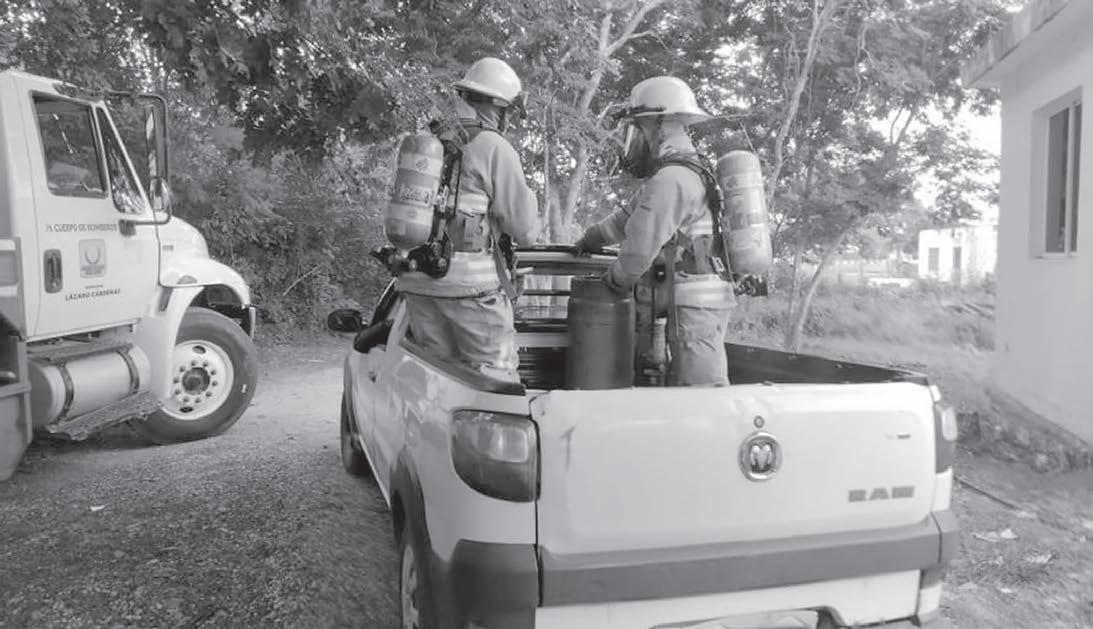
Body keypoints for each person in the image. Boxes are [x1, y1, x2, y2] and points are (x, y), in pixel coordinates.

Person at [574, 76, 735, 387]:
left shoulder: (672, 179)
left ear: (660, 125)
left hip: (693, 306)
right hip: (693, 303)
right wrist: (592, 238)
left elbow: (639, 249)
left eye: (640, 127)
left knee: (702, 394)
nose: (636, 138)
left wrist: (613, 282)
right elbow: (627, 219)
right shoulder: (681, 172)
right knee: (680, 390)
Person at [396, 57, 540, 383]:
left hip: (418, 283)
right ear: (499, 107)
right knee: (495, 380)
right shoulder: (493, 146)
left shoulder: (430, 140)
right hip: (469, 288)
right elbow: (525, 231)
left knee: (437, 380)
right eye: (509, 112)